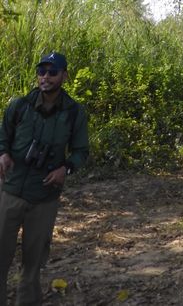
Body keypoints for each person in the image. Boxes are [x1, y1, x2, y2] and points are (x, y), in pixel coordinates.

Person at [0, 52, 89, 306]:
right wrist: (3, 153)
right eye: (42, 72)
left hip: (44, 197)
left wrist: (66, 170)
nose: (45, 77)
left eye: (52, 72)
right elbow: (3, 135)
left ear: (64, 75)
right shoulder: (19, 105)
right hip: (11, 190)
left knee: (32, 264)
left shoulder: (74, 113)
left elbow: (81, 151)